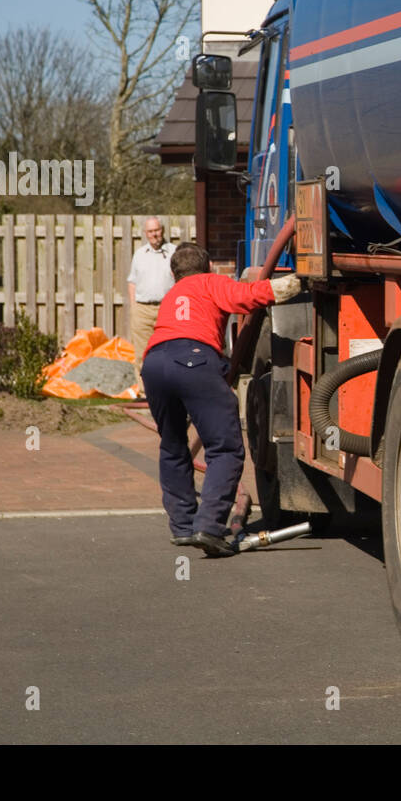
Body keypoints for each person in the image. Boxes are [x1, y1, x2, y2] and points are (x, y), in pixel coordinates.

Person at [142, 242, 301, 557]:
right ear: (209, 267)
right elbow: (246, 298)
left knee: (173, 446)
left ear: (174, 274)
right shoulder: (210, 282)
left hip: (154, 364)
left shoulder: (171, 296)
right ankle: (210, 526)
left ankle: (184, 528)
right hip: (194, 361)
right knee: (224, 447)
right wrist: (291, 284)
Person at [127, 218, 176, 389]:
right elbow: (132, 281)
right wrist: (134, 306)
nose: (154, 234)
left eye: (157, 230)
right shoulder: (140, 254)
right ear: (145, 234)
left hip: (167, 309)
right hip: (142, 309)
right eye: (150, 231)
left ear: (162, 230)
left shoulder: (173, 252)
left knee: (169, 350)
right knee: (142, 353)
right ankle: (144, 390)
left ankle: (169, 388)